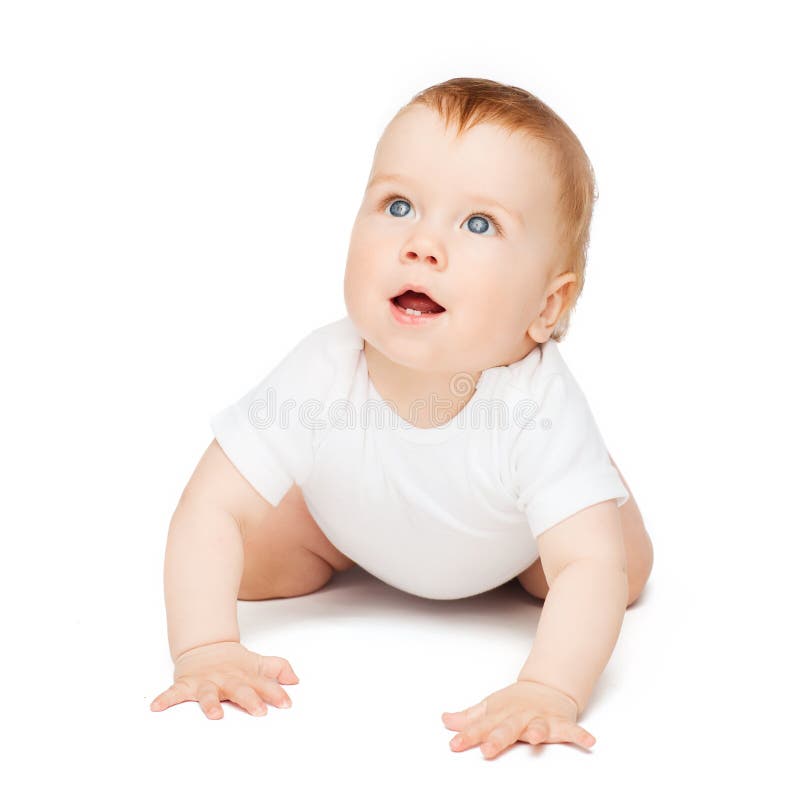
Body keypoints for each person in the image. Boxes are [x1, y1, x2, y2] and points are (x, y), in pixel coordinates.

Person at [150, 76, 654, 758]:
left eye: (479, 224)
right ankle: (342, 533)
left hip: (512, 539)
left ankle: (587, 486)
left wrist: (548, 688)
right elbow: (207, 506)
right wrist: (207, 646)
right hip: (356, 521)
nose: (421, 243)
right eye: (398, 204)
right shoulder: (323, 369)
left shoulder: (535, 407)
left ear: (547, 306)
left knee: (611, 571)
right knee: (247, 562)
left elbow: (590, 569)